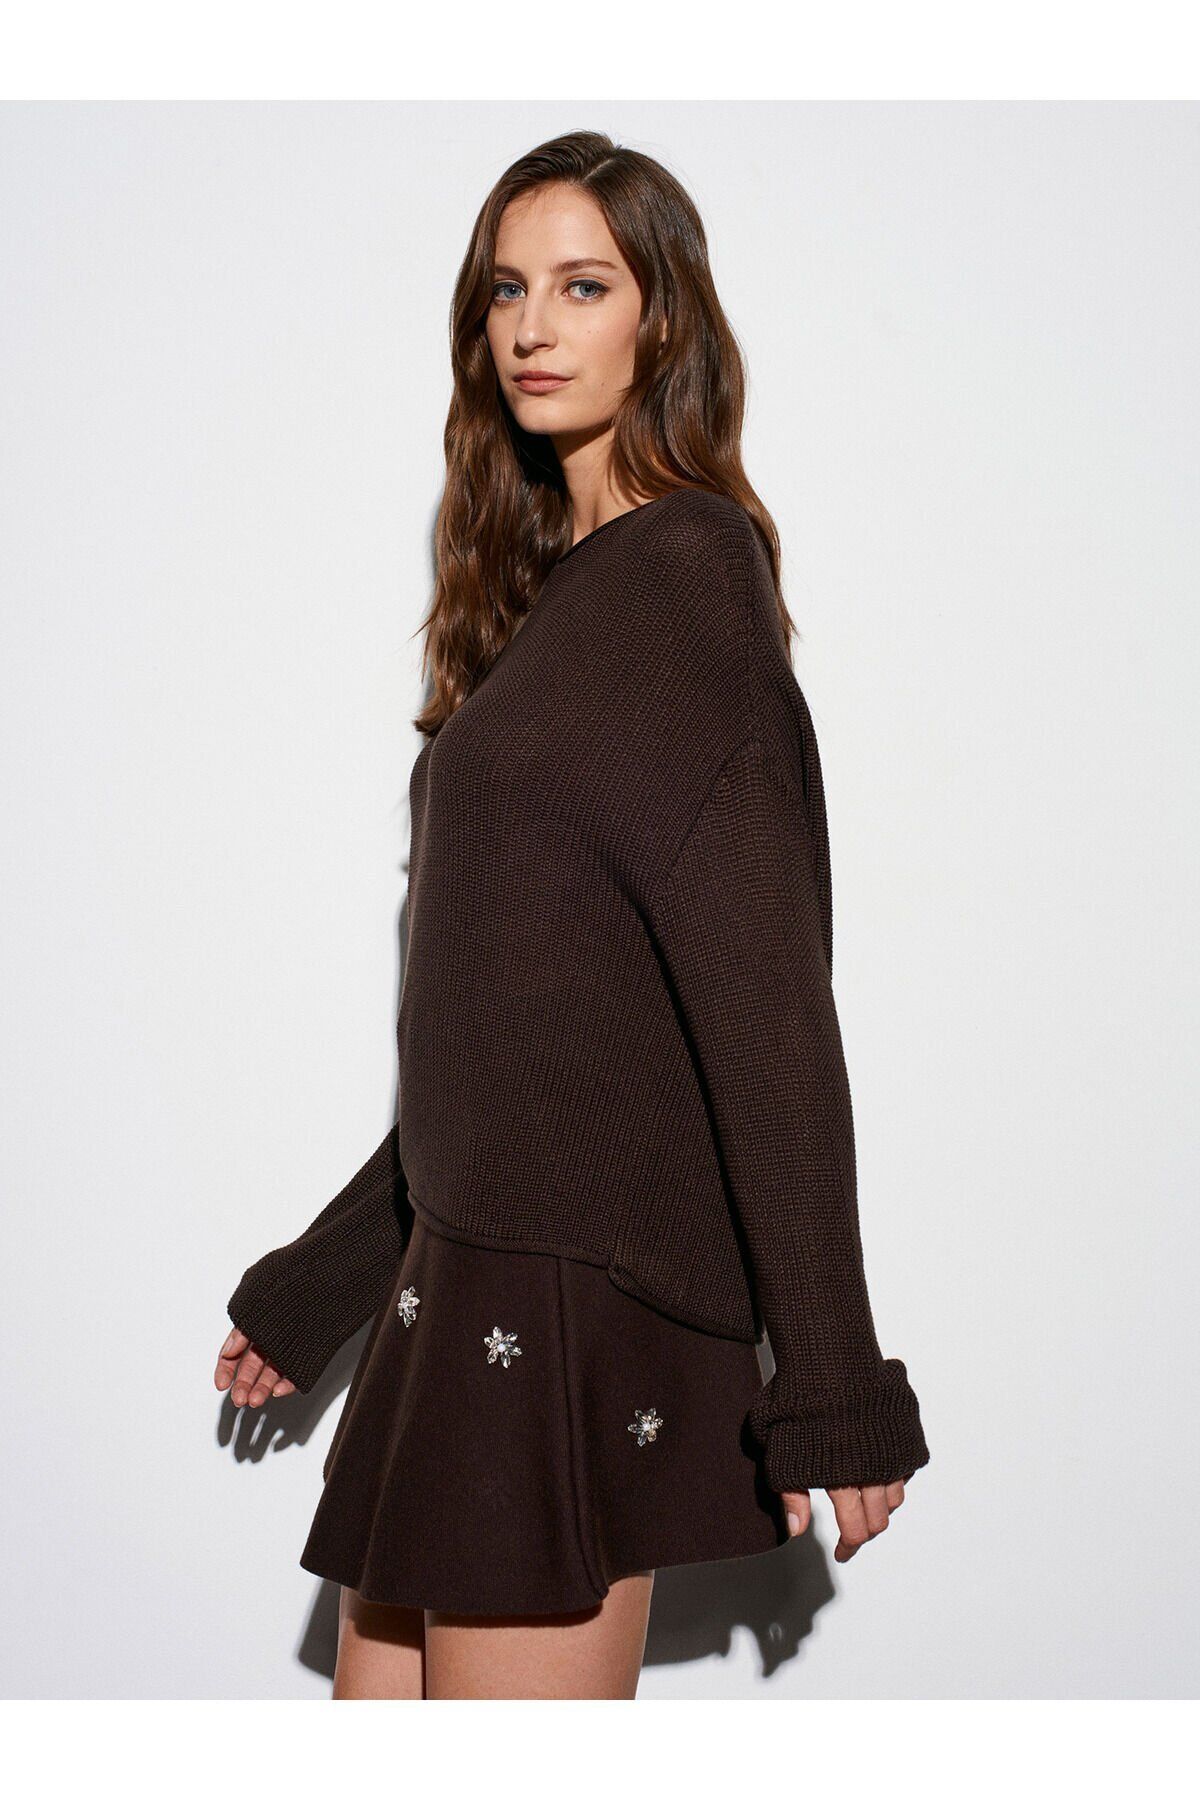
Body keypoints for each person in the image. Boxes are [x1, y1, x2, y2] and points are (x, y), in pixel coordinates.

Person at [214, 129, 930, 1701]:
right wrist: (333, 1275)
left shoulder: (689, 586)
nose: (533, 327)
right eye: (506, 290)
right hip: (462, 1278)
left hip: (571, 1299)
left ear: (662, 321)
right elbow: (518, 1038)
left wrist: (835, 1376)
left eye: (583, 286)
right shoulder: (554, 606)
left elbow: (766, 1011)